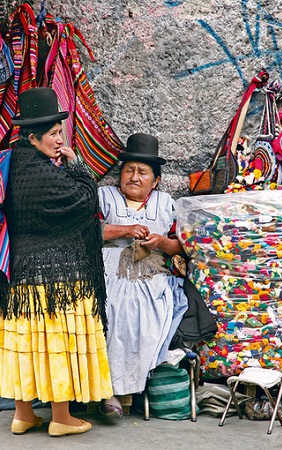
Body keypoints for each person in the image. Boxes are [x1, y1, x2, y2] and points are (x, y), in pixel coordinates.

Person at [0, 87, 113, 436]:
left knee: (25, 344)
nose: (61, 140)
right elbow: (87, 200)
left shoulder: (10, 164)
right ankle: (61, 418)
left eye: (61, 133)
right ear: (33, 137)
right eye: (54, 134)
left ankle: (23, 415)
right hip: (58, 276)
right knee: (56, 344)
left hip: (18, 276)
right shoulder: (46, 173)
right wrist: (76, 164)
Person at [98, 133, 188, 417]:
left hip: (151, 274)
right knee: (111, 310)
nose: (134, 177)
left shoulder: (166, 203)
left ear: (156, 180)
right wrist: (125, 230)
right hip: (110, 271)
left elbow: (181, 247)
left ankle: (133, 386)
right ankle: (108, 392)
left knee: (148, 315)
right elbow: (90, 230)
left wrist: (160, 242)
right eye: (129, 170)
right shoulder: (105, 197)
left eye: (142, 172)